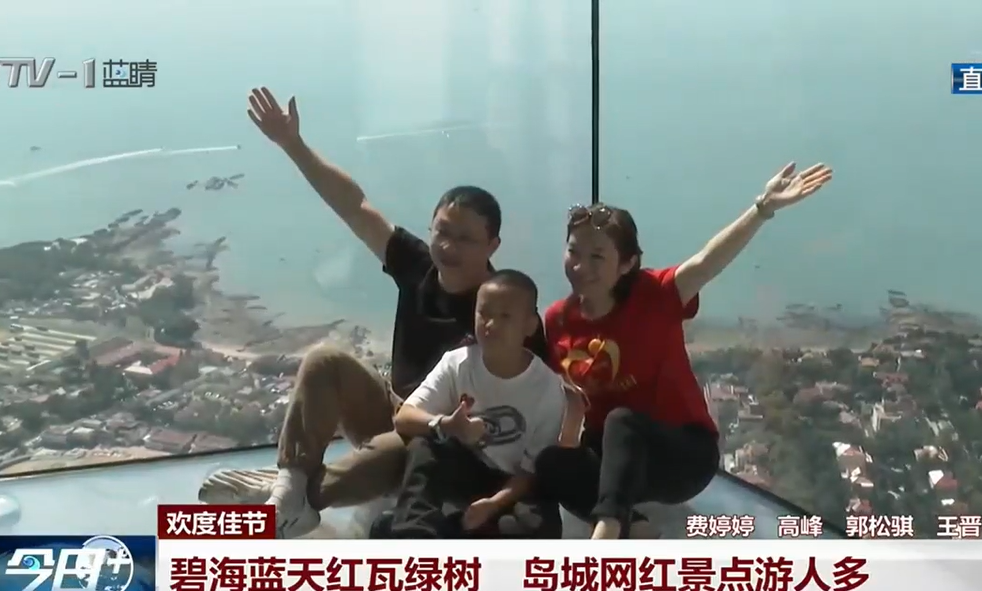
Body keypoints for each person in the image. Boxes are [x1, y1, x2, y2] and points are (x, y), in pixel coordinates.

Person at [197, 86, 551, 538]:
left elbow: (533, 395)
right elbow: (354, 206)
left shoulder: (502, 310)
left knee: (382, 461)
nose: (448, 247)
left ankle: (293, 497)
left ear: (492, 245)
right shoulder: (417, 265)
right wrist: (292, 144)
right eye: (442, 232)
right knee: (325, 360)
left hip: (442, 439)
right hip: (393, 406)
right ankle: (290, 487)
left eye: (465, 239)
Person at [535, 162, 834, 539]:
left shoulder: (654, 296)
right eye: (573, 251)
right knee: (551, 463)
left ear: (627, 264)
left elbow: (708, 261)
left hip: (681, 456)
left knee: (622, 421)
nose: (580, 266)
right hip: (615, 459)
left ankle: (608, 532)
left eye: (597, 256)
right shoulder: (557, 319)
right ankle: (636, 528)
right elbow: (571, 399)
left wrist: (763, 208)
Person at [371, 270, 565, 539]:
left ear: (530, 325)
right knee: (426, 445)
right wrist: (446, 425)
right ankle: (412, 536)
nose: (491, 324)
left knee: (540, 528)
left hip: (512, 485)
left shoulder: (547, 388)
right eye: (484, 313)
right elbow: (404, 418)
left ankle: (446, 531)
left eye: (505, 316)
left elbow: (530, 473)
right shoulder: (458, 363)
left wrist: (493, 504)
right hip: (467, 470)